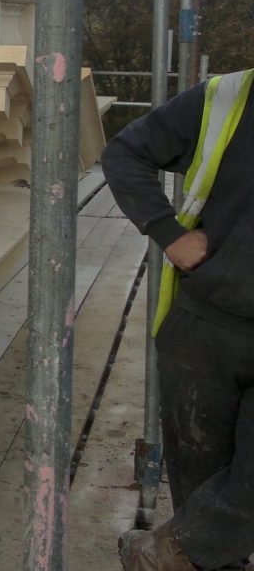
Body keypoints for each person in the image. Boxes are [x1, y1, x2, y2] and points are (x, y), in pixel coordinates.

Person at [101, 70, 254, 571]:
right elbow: (125, 153)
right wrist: (169, 234)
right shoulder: (227, 96)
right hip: (205, 329)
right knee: (199, 484)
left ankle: (170, 553)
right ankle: (188, 556)